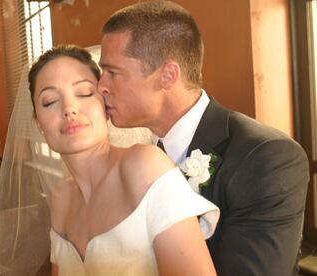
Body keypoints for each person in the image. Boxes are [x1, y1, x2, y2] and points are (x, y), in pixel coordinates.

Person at [98, 1, 310, 276]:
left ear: (167, 76)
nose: (101, 86)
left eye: (112, 72)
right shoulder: (138, 159)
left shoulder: (267, 157)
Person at [0, 45, 219, 276]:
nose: (69, 109)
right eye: (50, 101)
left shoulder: (144, 166)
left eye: (83, 93)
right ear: (38, 123)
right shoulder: (61, 199)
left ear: (105, 104)